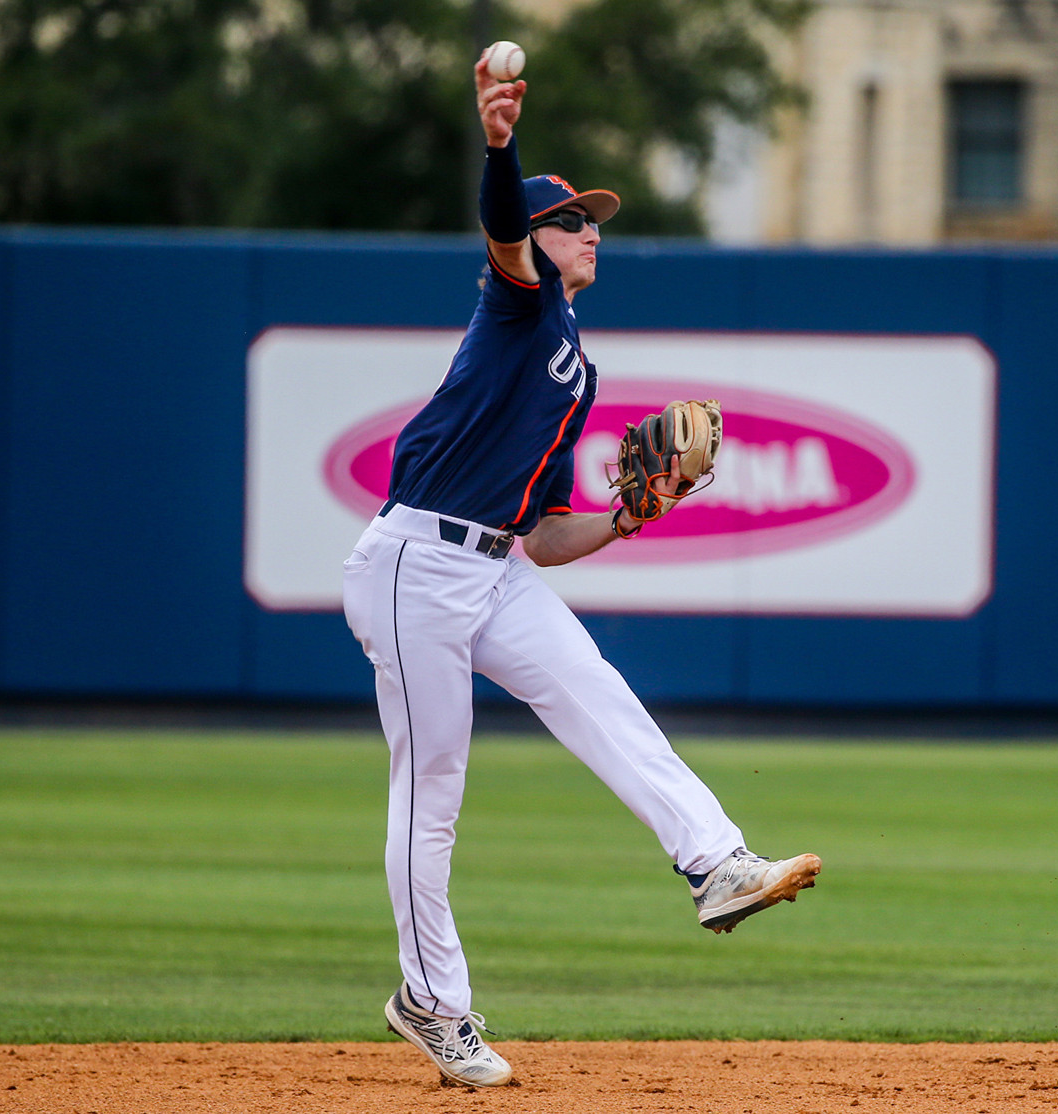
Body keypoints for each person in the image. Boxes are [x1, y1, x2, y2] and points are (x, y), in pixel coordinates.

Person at [338, 51, 823, 1087]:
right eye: (573, 222)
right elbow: (502, 227)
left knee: (600, 694)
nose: (589, 232)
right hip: (412, 563)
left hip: (494, 565)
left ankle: (716, 862)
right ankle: (433, 1003)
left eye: (596, 222)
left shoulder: (574, 364)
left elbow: (548, 532)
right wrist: (501, 143)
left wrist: (626, 519)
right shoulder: (518, 301)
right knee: (433, 792)